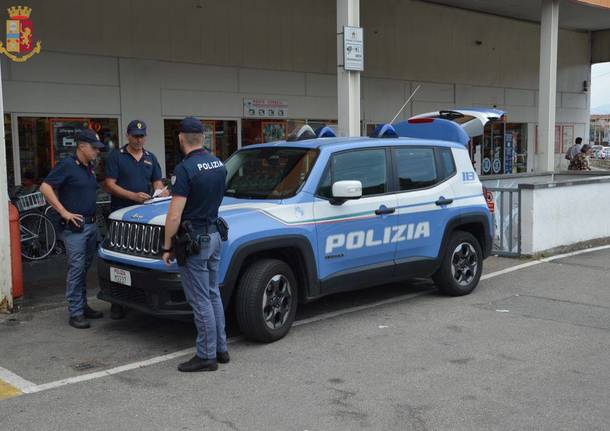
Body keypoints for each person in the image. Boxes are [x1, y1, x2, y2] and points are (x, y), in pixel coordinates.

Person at [162, 117, 229, 372]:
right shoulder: (219, 164)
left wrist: (167, 246)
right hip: (214, 235)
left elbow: (174, 215)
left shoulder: (185, 169)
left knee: (200, 300)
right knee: (212, 294)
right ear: (203, 137)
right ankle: (221, 349)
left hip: (195, 241)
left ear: (181, 138)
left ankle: (206, 356)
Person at [39, 129, 106, 329]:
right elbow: (45, 187)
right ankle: (75, 312)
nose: (97, 152)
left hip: (91, 224)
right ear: (82, 146)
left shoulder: (88, 167)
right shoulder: (67, 165)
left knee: (84, 267)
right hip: (75, 227)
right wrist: (64, 212)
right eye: (94, 148)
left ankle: (82, 306)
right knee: (76, 268)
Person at [104, 119, 167, 319]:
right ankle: (117, 303)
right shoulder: (116, 157)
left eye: (142, 136)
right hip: (121, 216)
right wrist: (133, 196)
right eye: (135, 136)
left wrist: (160, 192)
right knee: (119, 262)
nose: (139, 140)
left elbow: (157, 182)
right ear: (127, 136)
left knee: (140, 262)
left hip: (145, 218)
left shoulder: (150, 157)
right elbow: (109, 184)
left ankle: (142, 298)